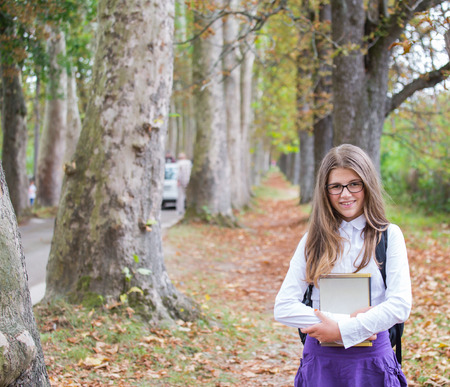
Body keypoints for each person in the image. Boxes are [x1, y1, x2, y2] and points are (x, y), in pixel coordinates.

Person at [274, 144, 411, 386]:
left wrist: (343, 330)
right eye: (336, 186)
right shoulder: (312, 240)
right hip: (322, 359)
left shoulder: (389, 236)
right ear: (325, 191)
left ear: (367, 185)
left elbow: (400, 305)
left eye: (354, 184)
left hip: (372, 360)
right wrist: (341, 326)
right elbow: (283, 306)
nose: (345, 194)